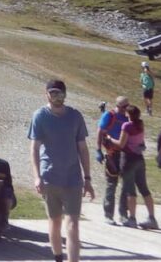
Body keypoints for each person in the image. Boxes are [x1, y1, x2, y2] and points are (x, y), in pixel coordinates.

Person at [28, 79, 94, 262]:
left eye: (60, 93)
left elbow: (83, 148)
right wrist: (37, 176)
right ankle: (58, 258)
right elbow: (34, 148)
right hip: (49, 177)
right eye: (53, 93)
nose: (57, 97)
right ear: (47, 94)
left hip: (73, 178)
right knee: (55, 222)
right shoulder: (40, 116)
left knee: (73, 224)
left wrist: (87, 178)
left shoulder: (75, 116)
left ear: (65, 95)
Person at [112, 105, 157, 229]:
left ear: (128, 114)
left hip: (128, 159)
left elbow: (121, 144)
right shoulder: (140, 124)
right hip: (139, 158)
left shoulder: (127, 126)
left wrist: (110, 139)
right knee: (144, 188)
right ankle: (152, 217)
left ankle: (132, 218)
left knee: (130, 190)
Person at [96, 95, 129, 224]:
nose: (126, 109)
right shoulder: (109, 115)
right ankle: (108, 215)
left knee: (126, 185)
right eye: (124, 107)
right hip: (111, 153)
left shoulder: (127, 116)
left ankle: (123, 214)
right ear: (118, 106)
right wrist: (98, 150)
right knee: (111, 184)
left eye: (127, 106)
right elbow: (100, 131)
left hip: (125, 154)